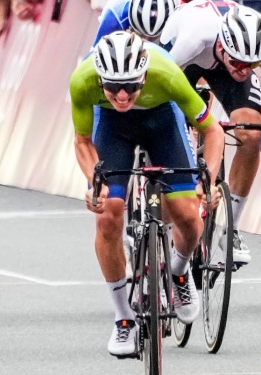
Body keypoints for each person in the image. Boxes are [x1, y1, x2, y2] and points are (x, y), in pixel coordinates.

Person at [69, 31, 225, 356]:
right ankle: (123, 317)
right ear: (100, 79)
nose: (123, 95)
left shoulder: (166, 74)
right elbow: (82, 142)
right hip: (112, 127)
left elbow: (213, 130)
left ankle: (180, 273)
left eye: (131, 86)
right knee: (108, 214)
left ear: (143, 75)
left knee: (187, 215)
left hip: (161, 121)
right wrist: (92, 181)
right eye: (112, 86)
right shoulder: (82, 79)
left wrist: (207, 181)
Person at [159, 1, 261, 263]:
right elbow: (160, 86)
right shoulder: (194, 39)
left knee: (251, 133)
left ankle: (231, 228)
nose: (244, 70)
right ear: (222, 46)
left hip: (222, 64)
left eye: (251, 65)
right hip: (186, 62)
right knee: (175, 130)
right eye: (239, 62)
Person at [93, 0, 180, 44]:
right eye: (142, 33)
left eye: (152, 37)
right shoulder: (115, 14)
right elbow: (95, 53)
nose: (146, 38)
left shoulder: (178, 13)